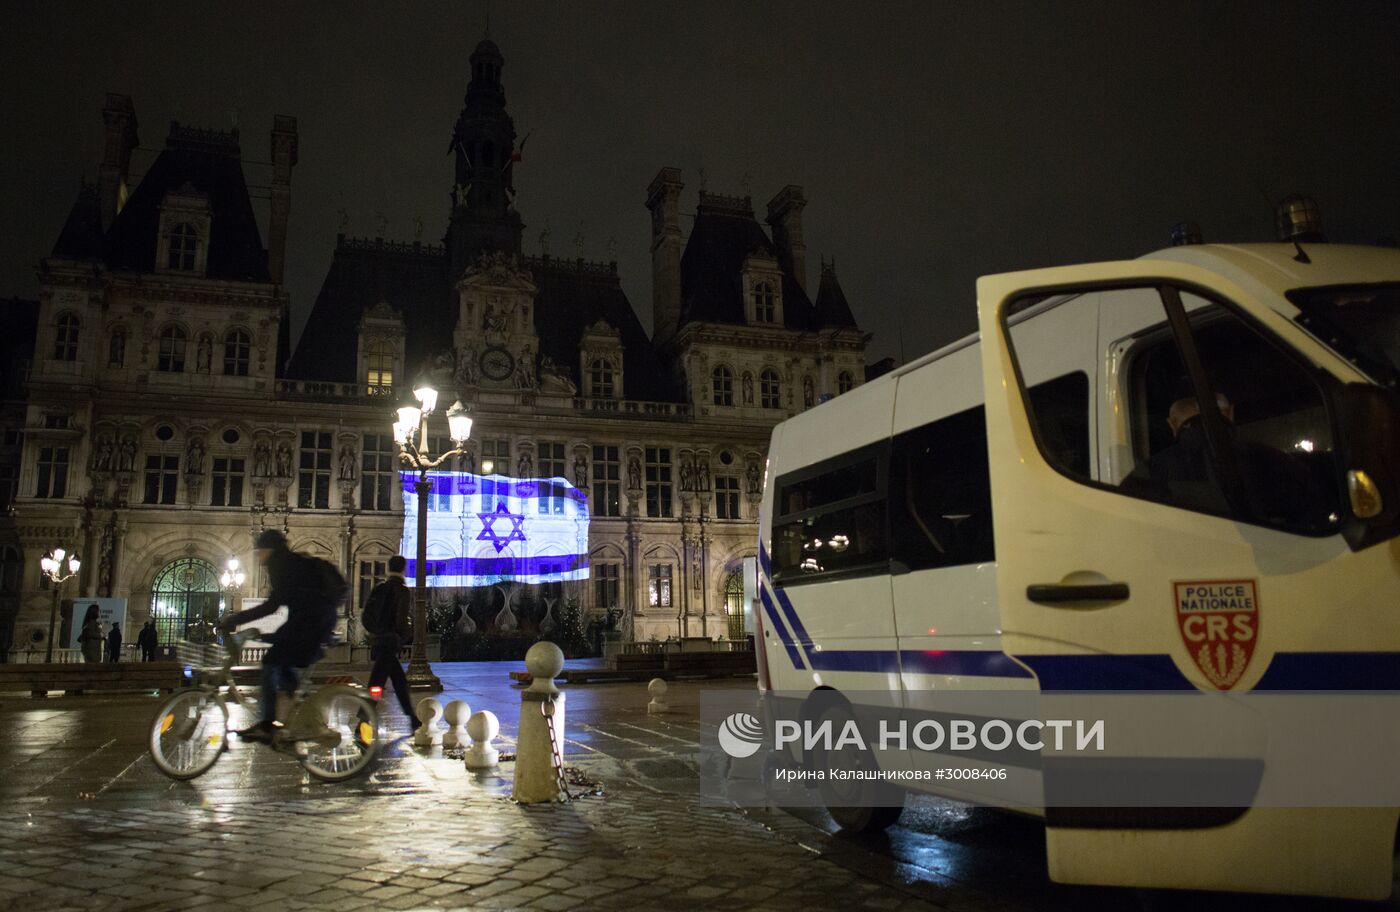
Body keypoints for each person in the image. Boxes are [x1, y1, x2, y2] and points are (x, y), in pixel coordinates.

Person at [220, 529, 342, 744]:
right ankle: (306, 716)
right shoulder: (290, 562)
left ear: (269, 549)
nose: (258, 557)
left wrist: (236, 619)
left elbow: (273, 605)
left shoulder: (281, 564)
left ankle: (267, 724)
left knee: (271, 660)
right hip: (314, 620)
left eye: (259, 551)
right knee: (283, 662)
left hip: (312, 622)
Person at [362, 555, 420, 732]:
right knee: (377, 683)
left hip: (378, 640)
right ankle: (363, 721)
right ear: (403, 569)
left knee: (399, 680)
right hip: (390, 641)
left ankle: (412, 718)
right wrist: (403, 637)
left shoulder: (380, 587)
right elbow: (402, 620)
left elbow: (367, 616)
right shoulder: (402, 590)